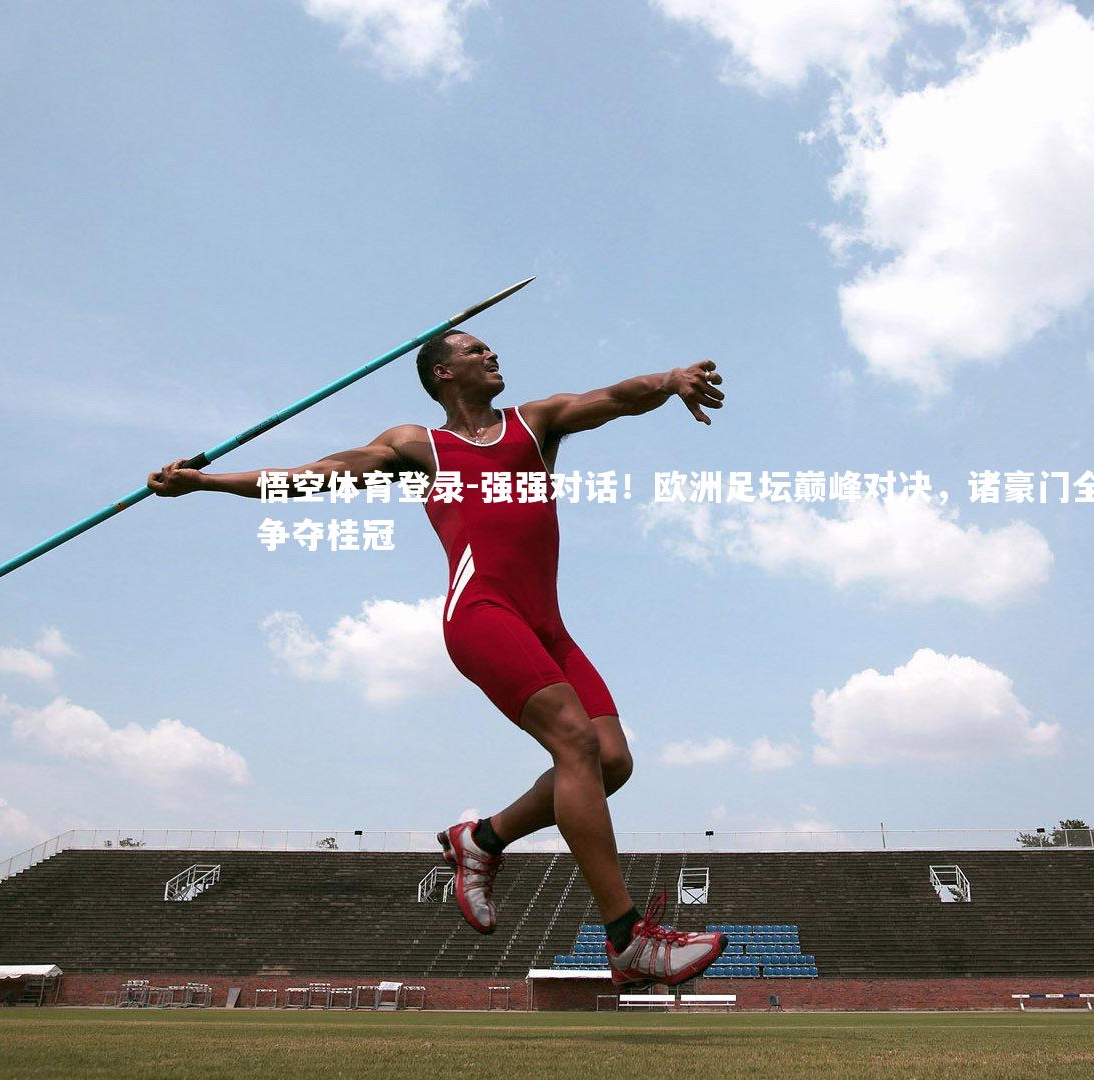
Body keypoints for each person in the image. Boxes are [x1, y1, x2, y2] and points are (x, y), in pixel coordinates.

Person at [147, 330, 728, 987]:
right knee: (574, 740)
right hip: (481, 613)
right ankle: (627, 938)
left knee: (611, 760)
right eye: (476, 350)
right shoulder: (417, 446)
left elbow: (615, 398)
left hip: (549, 627)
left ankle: (480, 841)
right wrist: (206, 482)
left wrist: (672, 377)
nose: (493, 354)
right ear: (443, 373)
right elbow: (316, 478)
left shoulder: (534, 424)